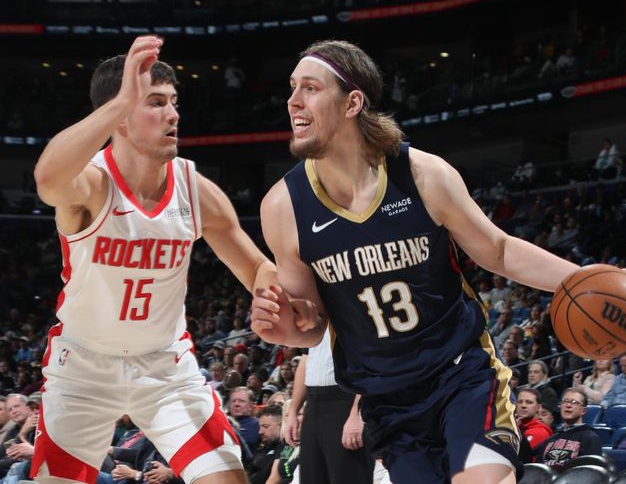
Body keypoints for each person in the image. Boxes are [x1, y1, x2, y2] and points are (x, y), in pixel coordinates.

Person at [251, 39, 626, 484]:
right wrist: (281, 325)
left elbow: (497, 250)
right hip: (389, 400)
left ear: (353, 102)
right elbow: (312, 323)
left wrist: (584, 278)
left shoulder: (423, 174)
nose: (292, 101)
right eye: (292, 88)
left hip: (460, 374)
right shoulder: (283, 207)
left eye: (309, 88)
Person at [30, 36, 299, 484]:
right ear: (118, 113)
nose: (172, 114)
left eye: (173, 102)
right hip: (82, 369)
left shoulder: (195, 190)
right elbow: (46, 178)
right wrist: (121, 102)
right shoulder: (92, 184)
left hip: (165, 366)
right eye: (154, 102)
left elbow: (256, 267)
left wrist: (268, 295)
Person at [284, 329, 373, 484]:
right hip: (313, 402)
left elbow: (370, 360)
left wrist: (357, 414)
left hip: (345, 400)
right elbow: (306, 360)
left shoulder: (353, 310)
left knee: (348, 477)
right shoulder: (317, 315)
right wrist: (293, 411)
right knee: (311, 476)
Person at [530, 389, 602, 472]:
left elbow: (590, 473)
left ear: (583, 410)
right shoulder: (551, 439)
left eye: (574, 402)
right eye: (565, 401)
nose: (568, 405)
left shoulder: (591, 438)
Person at [248, 406, 283, 484]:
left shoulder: (287, 450)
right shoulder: (260, 449)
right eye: (260, 427)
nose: (260, 432)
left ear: (281, 425)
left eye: (265, 426)